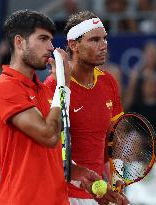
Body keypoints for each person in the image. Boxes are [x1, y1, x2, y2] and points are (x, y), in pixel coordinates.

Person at [0, 10, 101, 205]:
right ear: (19, 42)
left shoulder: (47, 90)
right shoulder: (3, 88)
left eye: (51, 39)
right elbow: (48, 135)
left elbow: (51, 150)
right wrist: (63, 84)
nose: (51, 47)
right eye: (43, 39)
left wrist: (78, 173)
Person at [45, 10, 130, 205]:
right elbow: (49, 145)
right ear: (74, 45)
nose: (103, 46)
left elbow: (115, 137)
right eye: (94, 40)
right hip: (61, 195)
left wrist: (117, 178)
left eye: (104, 39)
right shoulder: (54, 85)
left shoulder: (108, 82)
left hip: (98, 195)